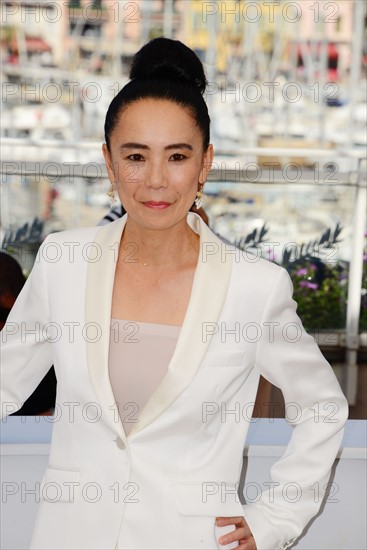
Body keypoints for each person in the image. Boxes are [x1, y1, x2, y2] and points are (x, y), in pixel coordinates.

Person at [0, 37, 348, 550]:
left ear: (205, 164)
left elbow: (323, 406)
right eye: (136, 156)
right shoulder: (62, 261)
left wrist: (276, 519)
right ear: (109, 161)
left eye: (178, 156)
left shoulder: (253, 287)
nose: (156, 181)